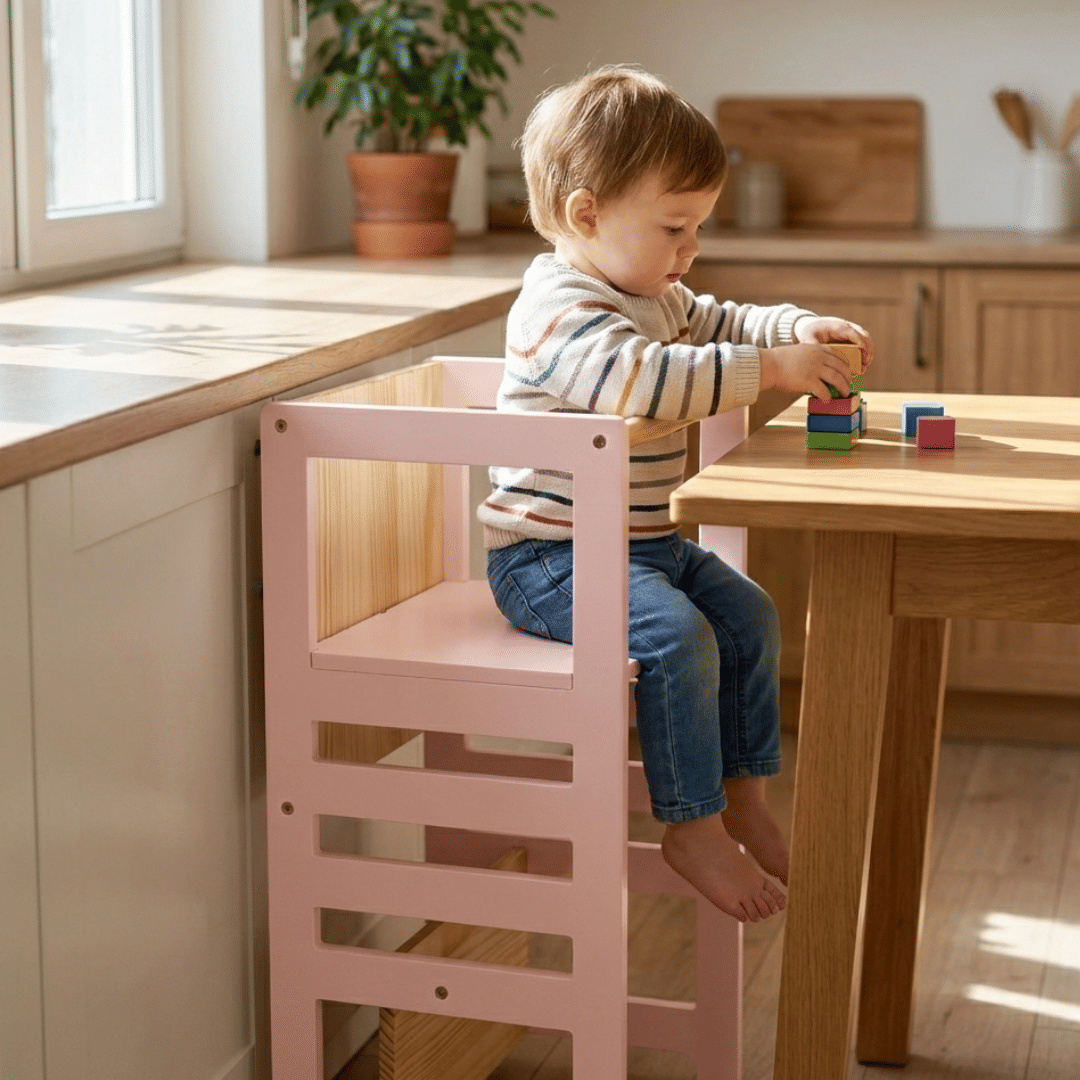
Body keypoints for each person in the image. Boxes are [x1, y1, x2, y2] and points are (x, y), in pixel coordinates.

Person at [478, 65, 873, 923]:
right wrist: (770, 372)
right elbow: (638, 387)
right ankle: (689, 825)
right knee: (680, 638)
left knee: (750, 615)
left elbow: (725, 321)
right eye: (674, 227)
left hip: (642, 546)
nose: (691, 249)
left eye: (697, 226)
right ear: (588, 216)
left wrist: (793, 329)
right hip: (550, 557)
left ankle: (743, 795)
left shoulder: (653, 293)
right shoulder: (557, 307)